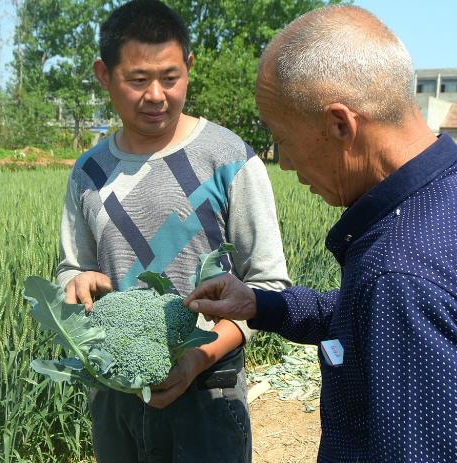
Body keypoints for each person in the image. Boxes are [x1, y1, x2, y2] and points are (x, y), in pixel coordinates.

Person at [186, 5, 457, 463]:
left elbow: (397, 299)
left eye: (281, 138)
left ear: (340, 125)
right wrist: (260, 303)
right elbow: (364, 317)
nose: (284, 162)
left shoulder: (402, 273)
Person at [56, 1, 291, 461]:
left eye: (170, 77)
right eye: (138, 80)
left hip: (210, 391)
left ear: (189, 66)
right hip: (115, 395)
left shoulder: (229, 159)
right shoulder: (89, 172)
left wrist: (196, 359)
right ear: (104, 75)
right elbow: (72, 268)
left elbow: (267, 284)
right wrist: (78, 281)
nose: (157, 95)